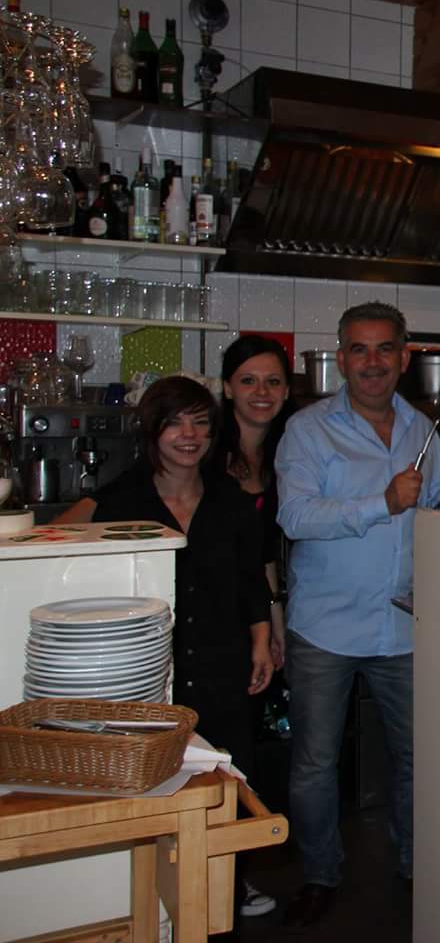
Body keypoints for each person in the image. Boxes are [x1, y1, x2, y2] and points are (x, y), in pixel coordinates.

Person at [275, 302, 440, 930]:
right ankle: (319, 874)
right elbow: (295, 517)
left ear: (404, 357)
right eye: (358, 349)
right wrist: (379, 502)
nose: (372, 362)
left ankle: (417, 866)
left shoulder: (422, 429)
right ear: (341, 358)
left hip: (405, 624)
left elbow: (433, 514)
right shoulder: (307, 430)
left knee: (419, 757)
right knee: (314, 765)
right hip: (325, 626)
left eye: (385, 348)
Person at [56, 377, 275, 916]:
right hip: (150, 670)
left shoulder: (231, 501)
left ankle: (223, 897)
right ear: (152, 431)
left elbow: (251, 580)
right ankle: (149, 903)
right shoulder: (120, 499)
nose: (189, 435)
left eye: (200, 423)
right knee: (156, 786)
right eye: (175, 423)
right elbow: (54, 541)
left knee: (225, 781)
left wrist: (263, 640)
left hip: (222, 664)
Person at [211, 335, 294, 673]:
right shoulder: (205, 453)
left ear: (286, 391)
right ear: (227, 388)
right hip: (209, 613)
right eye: (248, 381)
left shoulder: (286, 457)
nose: (262, 392)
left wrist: (276, 626)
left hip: (254, 610)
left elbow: (263, 554)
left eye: (273, 382)